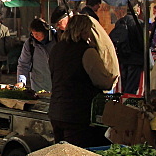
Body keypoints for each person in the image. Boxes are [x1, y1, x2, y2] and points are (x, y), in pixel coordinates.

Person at [48, 13, 120, 146]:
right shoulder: (86, 52)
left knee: (59, 155)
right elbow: (102, 82)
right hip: (78, 114)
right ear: (84, 30)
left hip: (56, 111)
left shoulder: (56, 49)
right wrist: (111, 79)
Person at [110, 1, 144, 94]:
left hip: (123, 58)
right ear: (138, 10)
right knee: (131, 88)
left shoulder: (120, 22)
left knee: (125, 86)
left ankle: (124, 103)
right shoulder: (139, 23)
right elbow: (143, 42)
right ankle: (128, 105)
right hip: (135, 59)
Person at [16, 18, 56, 92]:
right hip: (38, 85)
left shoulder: (57, 40)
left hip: (57, 85)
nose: (35, 36)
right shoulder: (30, 44)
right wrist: (21, 81)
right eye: (33, 34)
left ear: (45, 31)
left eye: (37, 33)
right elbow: (23, 64)